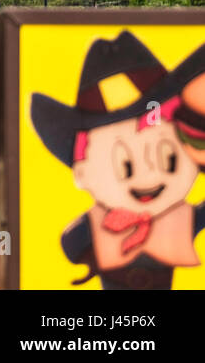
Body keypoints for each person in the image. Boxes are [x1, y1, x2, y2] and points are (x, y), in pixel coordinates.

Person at [30, 31, 205, 289]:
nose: (149, 177)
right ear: (82, 172)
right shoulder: (95, 226)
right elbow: (71, 243)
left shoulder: (179, 219)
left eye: (169, 160)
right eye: (125, 166)